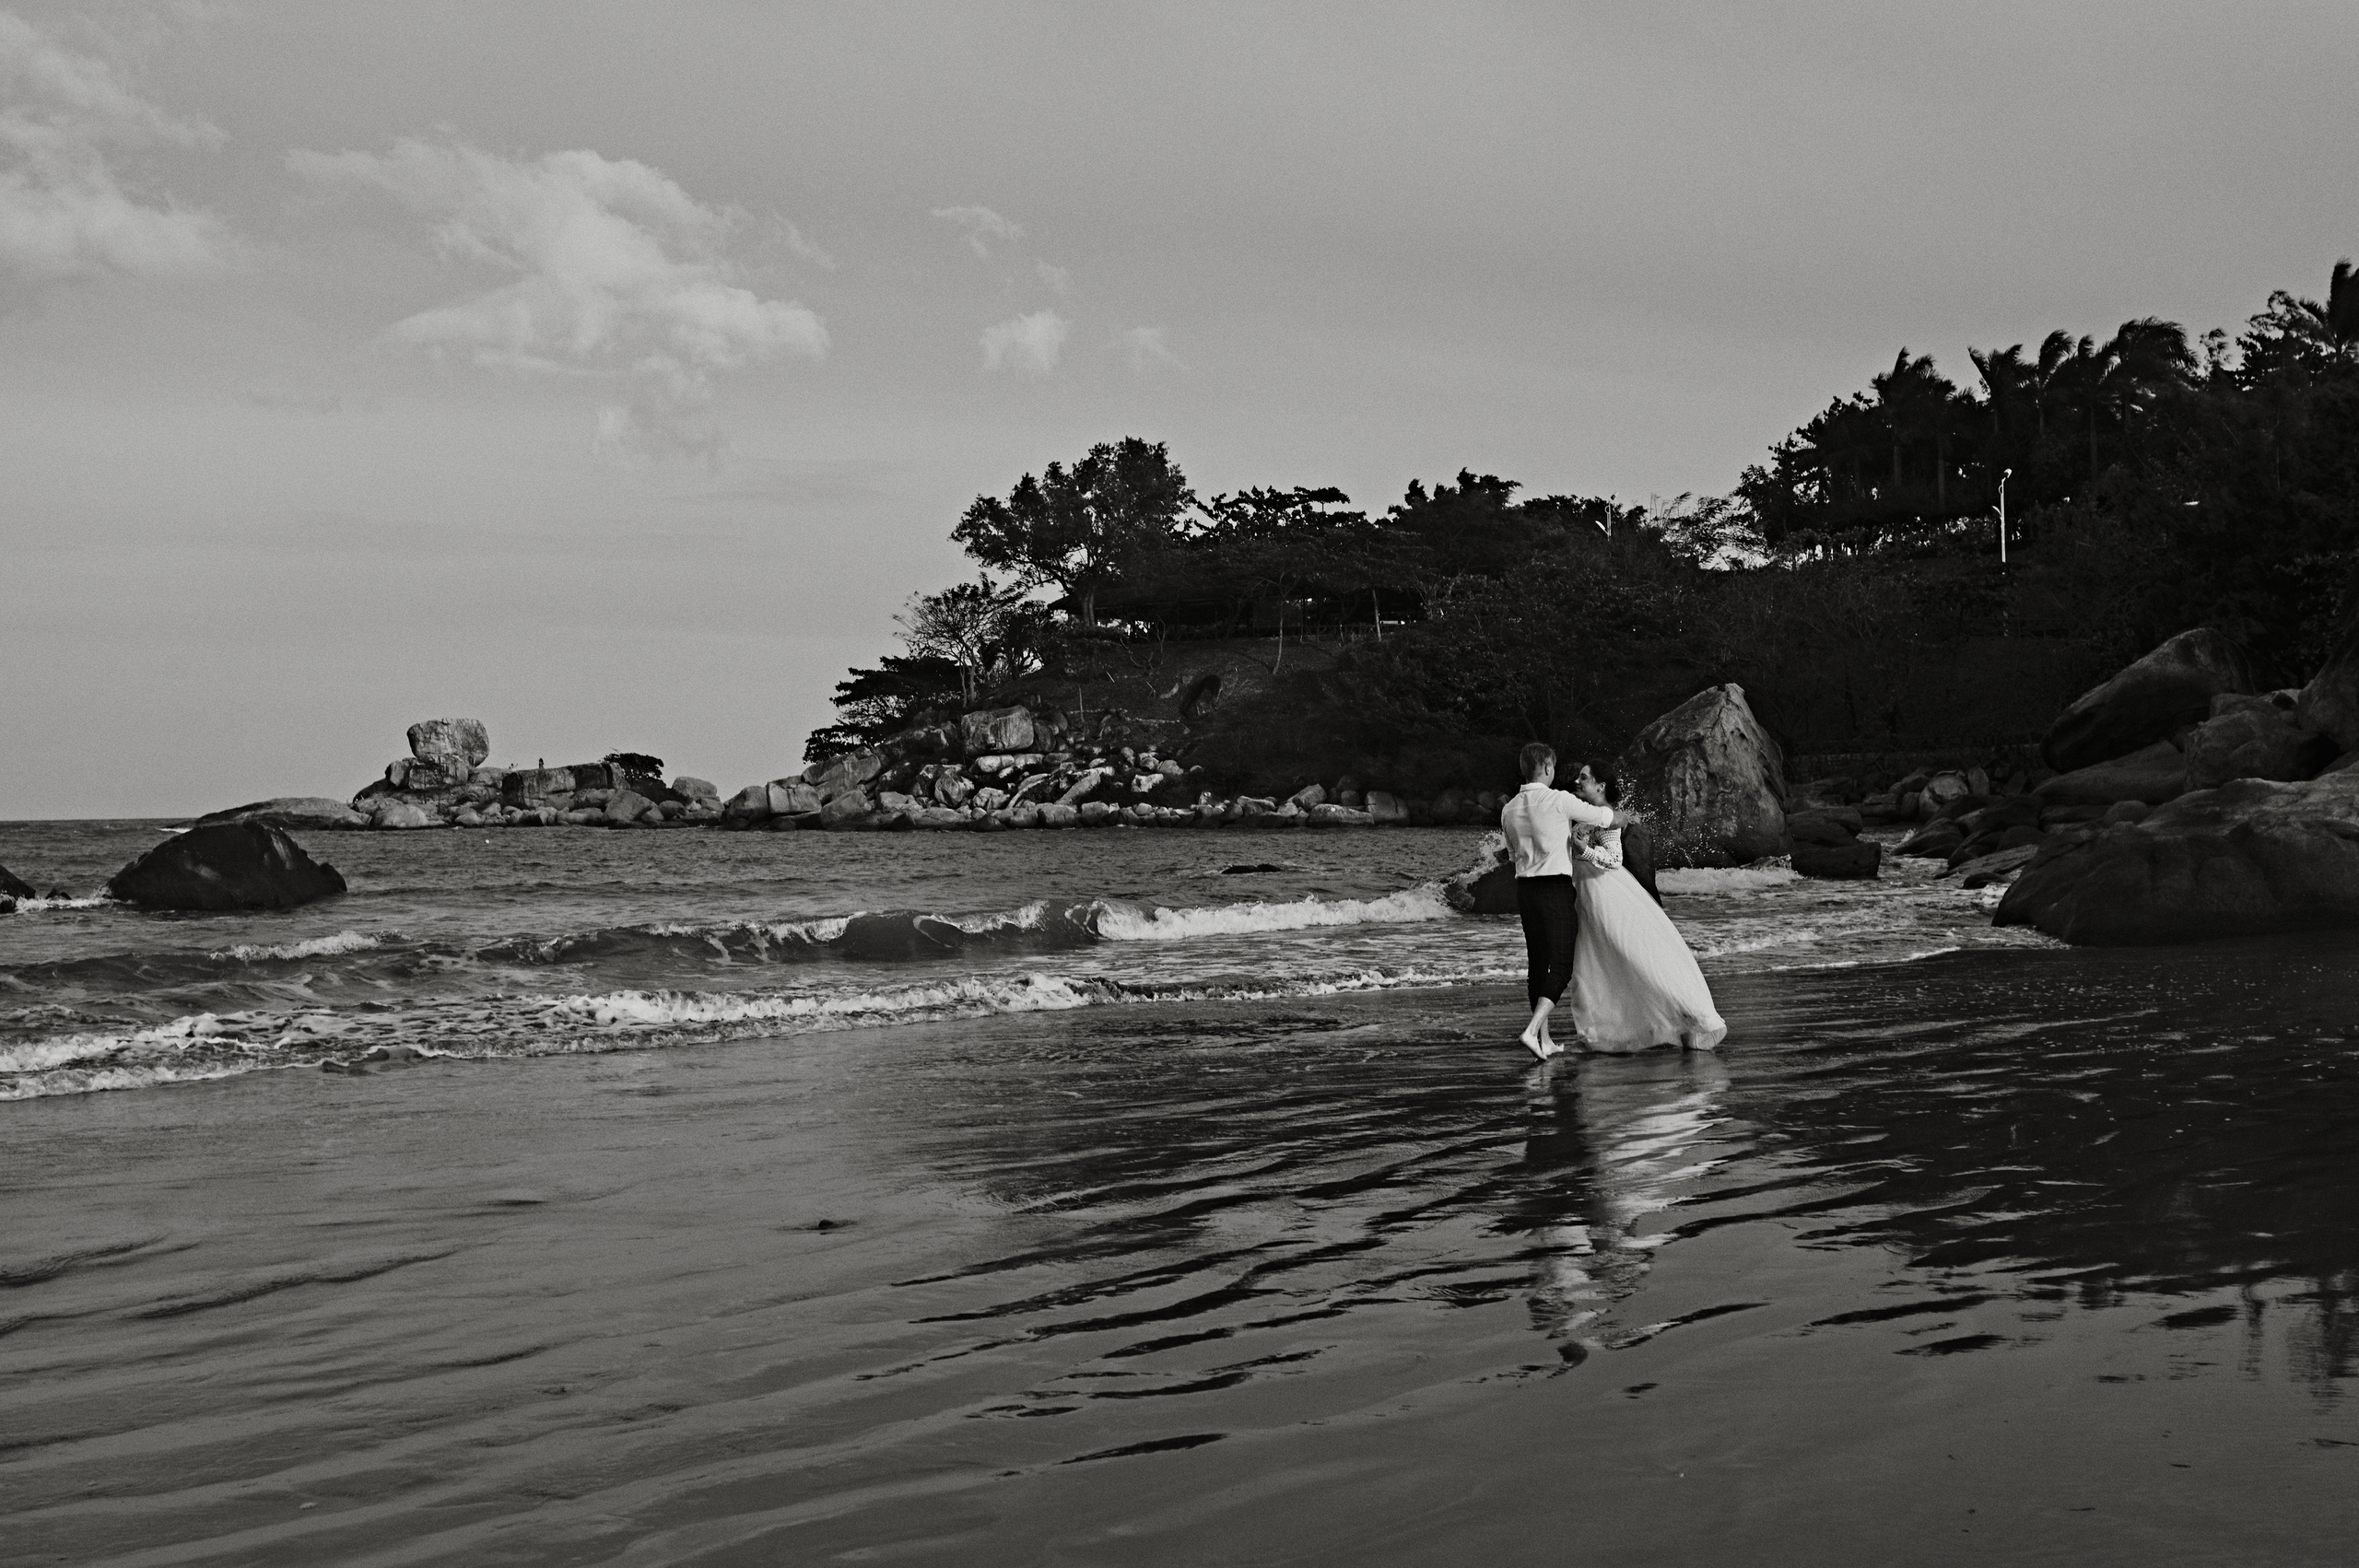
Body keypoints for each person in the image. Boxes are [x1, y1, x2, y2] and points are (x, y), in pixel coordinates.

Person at [1560, 762, 1728, 1053]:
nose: (1577, 781)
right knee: (1595, 965)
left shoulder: (1607, 818)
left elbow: (1614, 860)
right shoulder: (1586, 815)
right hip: (1587, 897)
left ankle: (1687, 1017)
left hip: (1608, 896)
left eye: (1584, 778)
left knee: (1633, 958)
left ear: (1600, 787)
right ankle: (1603, 1031)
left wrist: (1582, 850)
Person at [1499, 742, 1624, 1059]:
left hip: (1525, 892)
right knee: (1562, 966)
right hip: (1555, 890)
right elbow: (1602, 817)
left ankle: (1545, 1041)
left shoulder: (1508, 809)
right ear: (1548, 768)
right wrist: (1621, 818)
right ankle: (1531, 1031)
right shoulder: (1559, 800)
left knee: (1537, 966)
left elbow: (1513, 856)